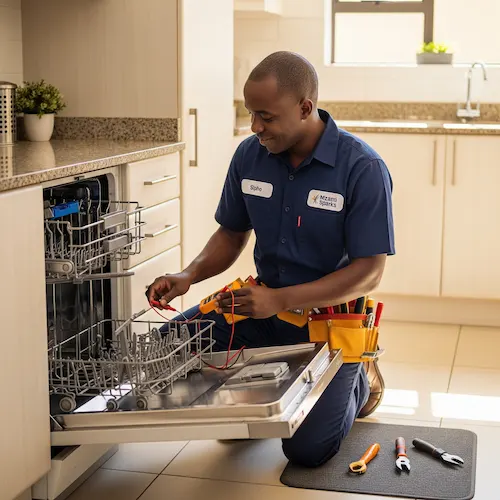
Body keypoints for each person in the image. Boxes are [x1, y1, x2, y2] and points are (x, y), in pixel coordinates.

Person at [146, 51, 395, 468]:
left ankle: (360, 383)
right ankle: (259, 386)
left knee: (307, 451)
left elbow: (370, 272)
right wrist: (189, 274)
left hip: (329, 325)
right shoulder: (249, 155)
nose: (255, 127)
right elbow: (231, 233)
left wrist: (281, 300)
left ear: (304, 107)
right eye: (250, 114)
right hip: (260, 310)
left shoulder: (362, 167)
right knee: (163, 349)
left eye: (266, 116)